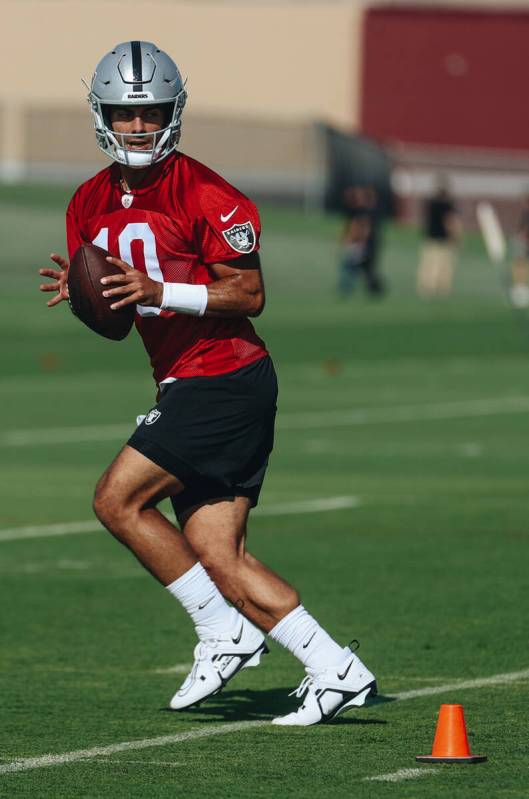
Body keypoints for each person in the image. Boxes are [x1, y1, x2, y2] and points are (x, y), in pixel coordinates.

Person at [38, 41, 376, 726]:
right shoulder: (86, 202)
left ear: (174, 112)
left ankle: (222, 632)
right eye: (124, 114)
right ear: (101, 115)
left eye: (151, 112)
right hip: (183, 381)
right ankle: (333, 665)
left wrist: (160, 288)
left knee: (116, 500)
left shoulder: (209, 193)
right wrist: (86, 298)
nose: (137, 126)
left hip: (225, 378)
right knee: (222, 556)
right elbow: (116, 314)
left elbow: (247, 293)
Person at [416, 179, 462, 297]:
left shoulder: (430, 203)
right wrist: (455, 237)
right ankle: (441, 289)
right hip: (443, 239)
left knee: (429, 265)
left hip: (431, 237)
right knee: (444, 266)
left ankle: (427, 289)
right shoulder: (447, 205)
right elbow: (450, 222)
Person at [338, 186, 384, 298]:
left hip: (363, 244)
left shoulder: (365, 211)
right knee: (361, 267)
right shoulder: (359, 210)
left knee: (355, 267)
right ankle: (372, 288)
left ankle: (349, 288)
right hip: (361, 243)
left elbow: (362, 228)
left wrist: (357, 240)